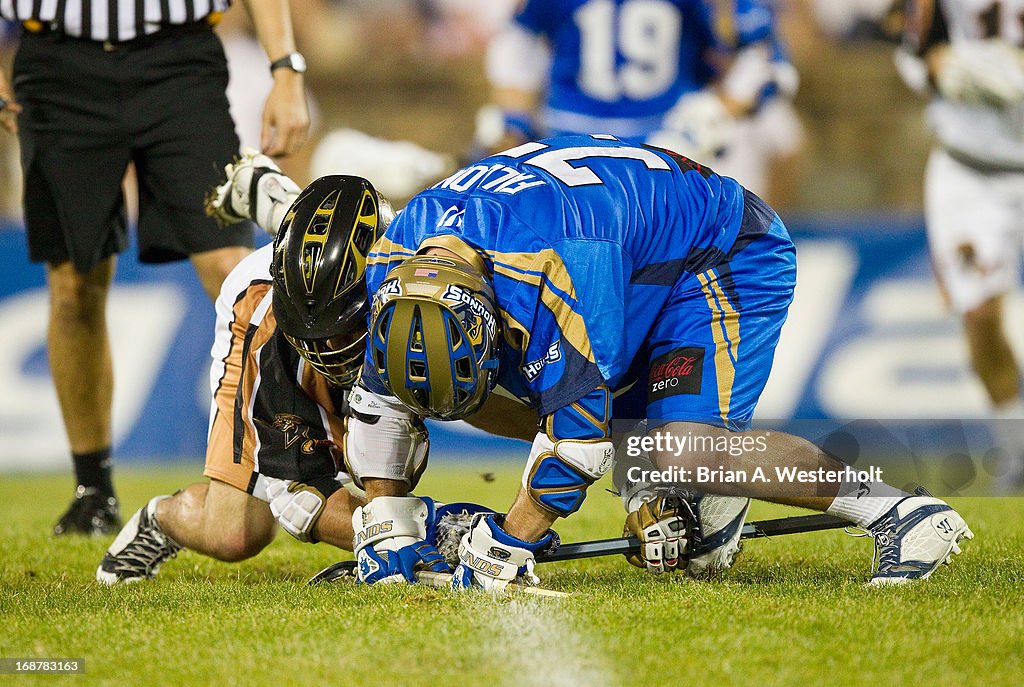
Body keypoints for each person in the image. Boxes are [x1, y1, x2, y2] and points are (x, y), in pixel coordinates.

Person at [350, 134, 973, 589]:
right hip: (632, 258)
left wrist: (510, 541)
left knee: (679, 449)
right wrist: (387, 521)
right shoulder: (393, 260)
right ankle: (689, 500)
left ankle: (902, 512)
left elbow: (579, 443)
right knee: (675, 533)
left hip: (717, 254)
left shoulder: (564, 264)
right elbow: (378, 399)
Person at [96, 161, 504, 584]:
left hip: (383, 303)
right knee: (233, 532)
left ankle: (271, 195)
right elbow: (299, 496)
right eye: (313, 333)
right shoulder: (265, 321)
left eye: (342, 329)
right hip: (274, 336)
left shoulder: (419, 286)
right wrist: (428, 533)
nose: (327, 347)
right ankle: (161, 519)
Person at [0, 0, 310, 535]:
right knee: (74, 283)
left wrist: (285, 68)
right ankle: (92, 488)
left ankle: (292, 462)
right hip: (57, 68)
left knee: (233, 269)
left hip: (180, 63)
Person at [474, 0, 802, 200]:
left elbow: (765, 59)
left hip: (671, 144)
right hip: (566, 143)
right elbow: (518, 43)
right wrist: (513, 119)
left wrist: (715, 112)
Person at [900, 0, 1024, 492]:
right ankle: (1018, 452)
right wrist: (946, 69)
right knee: (980, 315)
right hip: (970, 167)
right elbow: (912, 47)